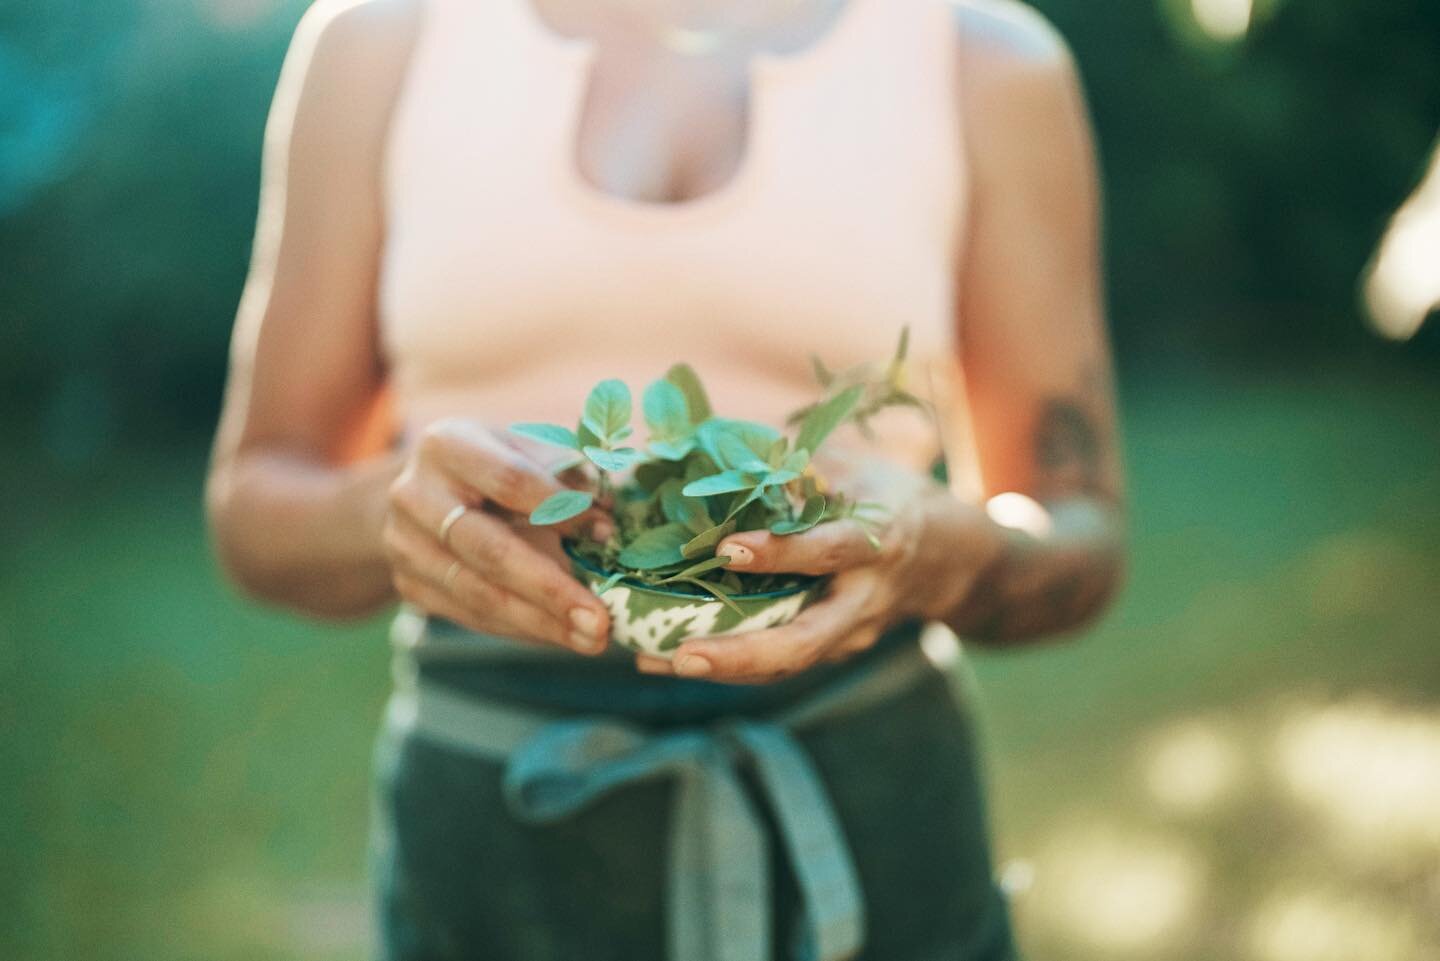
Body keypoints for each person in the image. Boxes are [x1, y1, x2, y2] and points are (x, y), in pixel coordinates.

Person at [205, 0, 1126, 957]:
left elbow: (1081, 534)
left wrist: (947, 550)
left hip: (867, 814)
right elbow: (255, 508)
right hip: (492, 833)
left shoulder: (980, 55)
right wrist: (394, 512)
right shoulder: (382, 40)